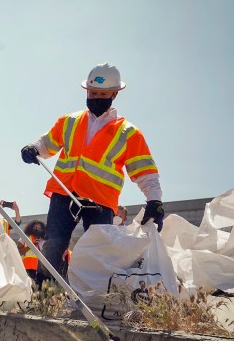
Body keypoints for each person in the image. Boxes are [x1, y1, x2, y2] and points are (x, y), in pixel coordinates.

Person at [20, 63, 164, 283]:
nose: (96, 97)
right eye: (92, 92)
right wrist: (33, 148)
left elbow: (145, 171)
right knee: (54, 243)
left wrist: (155, 200)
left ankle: (92, 295)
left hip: (100, 200)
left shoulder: (129, 133)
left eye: (102, 94)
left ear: (114, 94)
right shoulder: (69, 121)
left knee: (98, 250)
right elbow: (47, 143)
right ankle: (46, 293)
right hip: (65, 191)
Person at [18, 220, 46, 286]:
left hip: (40, 270)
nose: (38, 230)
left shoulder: (44, 241)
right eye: (36, 228)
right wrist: (30, 246)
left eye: (40, 228)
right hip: (26, 268)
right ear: (31, 228)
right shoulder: (24, 238)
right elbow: (18, 252)